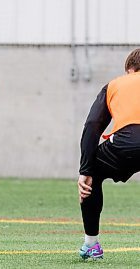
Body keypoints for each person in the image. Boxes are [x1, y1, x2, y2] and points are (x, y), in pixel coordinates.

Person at [77, 48, 140, 260]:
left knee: (92, 175)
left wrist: (85, 169)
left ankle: (91, 245)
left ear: (129, 69)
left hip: (124, 143)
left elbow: (93, 125)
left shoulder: (115, 85)